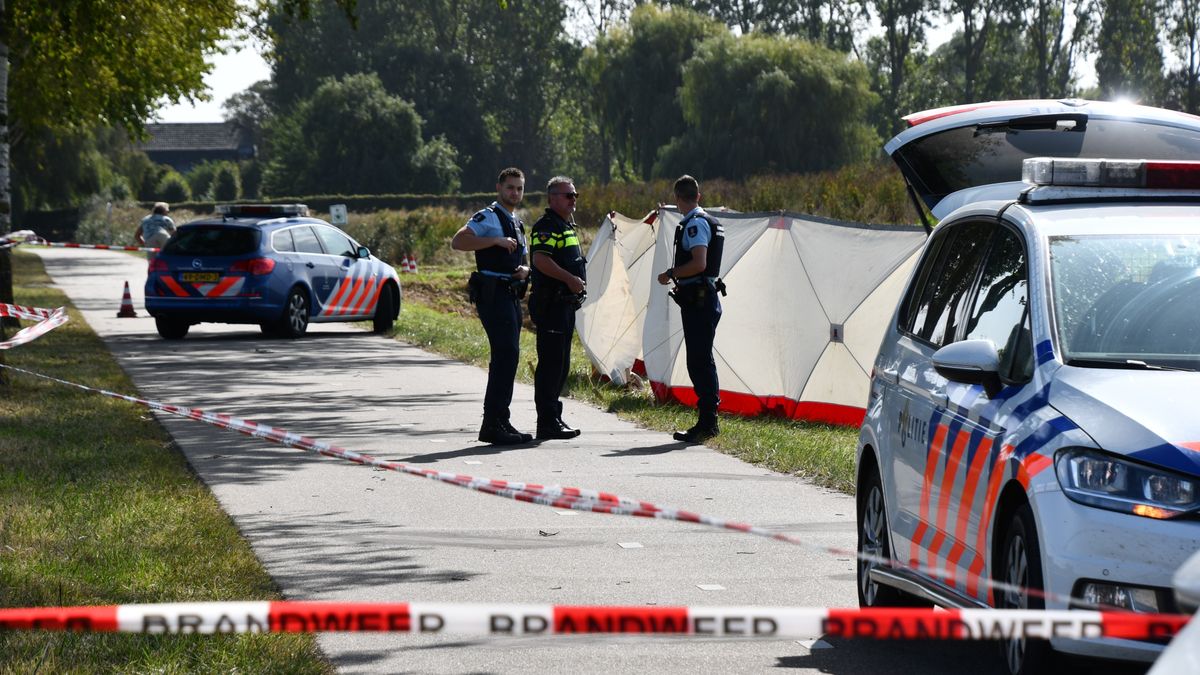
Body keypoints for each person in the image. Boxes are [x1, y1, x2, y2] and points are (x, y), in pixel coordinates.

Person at [451, 168, 534, 445]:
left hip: (510, 294)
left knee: (509, 357)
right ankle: (493, 422)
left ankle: (500, 420)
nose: (515, 193)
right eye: (510, 188)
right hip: (492, 294)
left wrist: (524, 270)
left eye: (520, 188)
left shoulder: (516, 222)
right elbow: (458, 240)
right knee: (504, 354)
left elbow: (522, 259)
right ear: (499, 187)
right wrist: (494, 240)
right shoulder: (488, 217)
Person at [657, 175, 725, 443]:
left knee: (698, 360)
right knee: (701, 358)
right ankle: (709, 418)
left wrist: (671, 273)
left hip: (699, 298)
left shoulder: (695, 224)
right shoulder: (709, 220)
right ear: (699, 195)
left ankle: (708, 422)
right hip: (702, 297)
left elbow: (699, 263)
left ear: (677, 199)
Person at [528, 176, 586, 440]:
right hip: (552, 304)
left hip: (565, 306)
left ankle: (554, 417)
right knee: (551, 365)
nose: (573, 199)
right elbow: (541, 260)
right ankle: (547, 422)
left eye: (575, 195)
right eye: (568, 195)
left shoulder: (566, 226)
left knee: (561, 365)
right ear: (552, 198)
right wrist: (570, 279)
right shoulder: (547, 226)